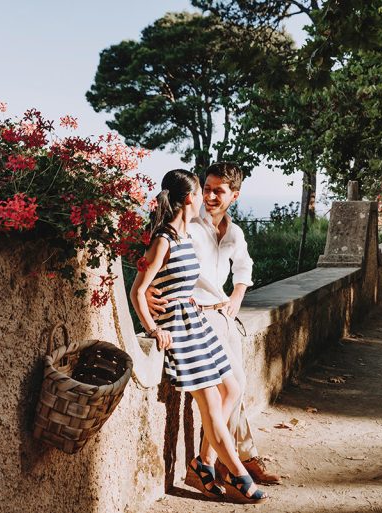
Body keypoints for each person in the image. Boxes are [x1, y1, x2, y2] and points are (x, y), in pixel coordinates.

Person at [130, 169, 267, 504]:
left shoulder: (205, 234)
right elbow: (139, 287)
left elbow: (229, 271)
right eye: (203, 190)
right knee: (210, 405)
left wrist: (222, 297)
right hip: (182, 326)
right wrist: (152, 323)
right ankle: (238, 474)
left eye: (218, 190)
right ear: (191, 197)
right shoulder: (172, 235)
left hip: (202, 318)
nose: (208, 197)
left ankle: (203, 463)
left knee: (233, 388)